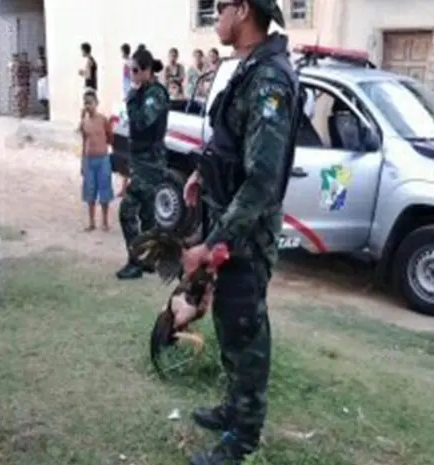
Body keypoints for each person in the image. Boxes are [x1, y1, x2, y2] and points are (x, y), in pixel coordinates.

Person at [181, 1, 300, 464]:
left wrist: (211, 244)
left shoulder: (270, 79)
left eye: (220, 7)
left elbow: (262, 181)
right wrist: (200, 177)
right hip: (231, 227)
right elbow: (231, 147)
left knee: (247, 329)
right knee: (230, 323)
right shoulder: (250, 69)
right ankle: (234, 408)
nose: (215, 16)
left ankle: (243, 438)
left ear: (244, 9)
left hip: (245, 237)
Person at [116, 48, 170, 280]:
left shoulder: (154, 94)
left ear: (147, 70)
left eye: (136, 70)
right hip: (142, 159)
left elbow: (142, 122)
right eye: (130, 70)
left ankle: (136, 261)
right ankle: (149, 259)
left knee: (127, 211)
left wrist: (131, 100)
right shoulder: (145, 92)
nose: (132, 75)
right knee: (148, 214)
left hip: (150, 163)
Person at [78, 89, 114, 232]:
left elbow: (110, 137)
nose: (88, 106)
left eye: (90, 103)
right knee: (90, 192)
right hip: (89, 160)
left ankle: (105, 222)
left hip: (103, 159)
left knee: (104, 191)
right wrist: (82, 162)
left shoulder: (103, 119)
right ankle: (91, 222)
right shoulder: (84, 123)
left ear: (97, 103)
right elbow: (83, 142)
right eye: (86, 103)